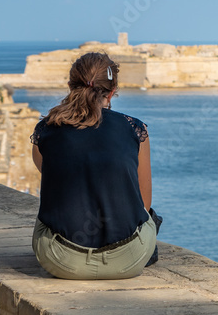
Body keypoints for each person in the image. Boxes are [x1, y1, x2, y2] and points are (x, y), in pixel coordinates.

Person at [30, 52, 162, 279]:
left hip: (61, 261)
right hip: (127, 261)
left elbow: (53, 174)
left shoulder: (45, 130)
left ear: (71, 86)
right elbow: (144, 203)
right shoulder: (135, 129)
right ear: (111, 93)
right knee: (151, 216)